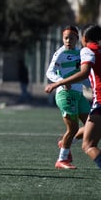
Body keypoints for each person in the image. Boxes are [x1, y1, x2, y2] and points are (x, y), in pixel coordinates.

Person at [45, 24, 101, 169]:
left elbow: (85, 74)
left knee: (89, 123)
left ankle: (65, 142)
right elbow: (49, 72)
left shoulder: (82, 52)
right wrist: (59, 82)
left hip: (79, 94)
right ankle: (62, 159)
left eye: (71, 37)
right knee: (74, 128)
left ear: (79, 38)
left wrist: (92, 86)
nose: (68, 40)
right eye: (65, 38)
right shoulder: (60, 53)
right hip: (65, 93)